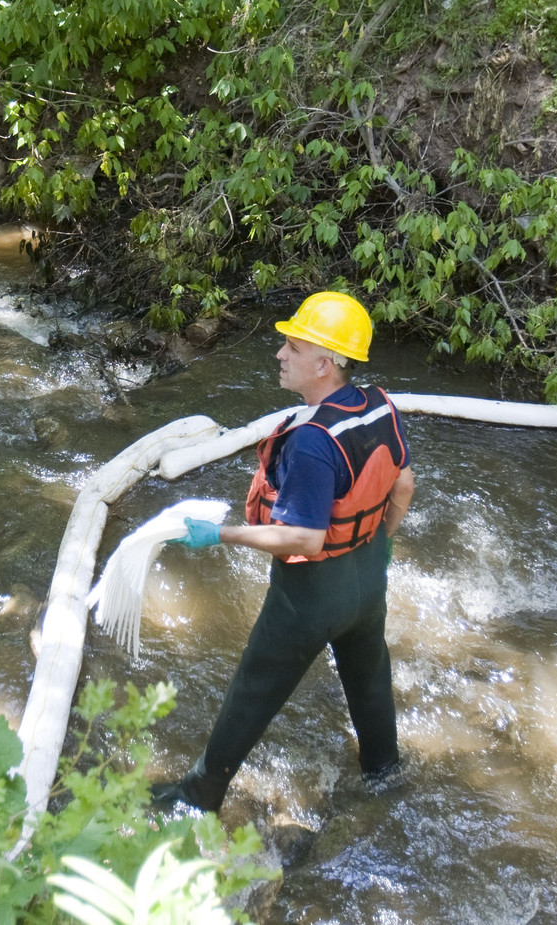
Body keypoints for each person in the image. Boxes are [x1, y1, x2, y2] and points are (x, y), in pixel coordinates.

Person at [152, 291, 416, 814]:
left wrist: (219, 534)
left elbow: (304, 539)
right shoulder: (380, 406)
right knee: (370, 679)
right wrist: (381, 543)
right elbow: (403, 484)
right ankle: (385, 776)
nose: (279, 355)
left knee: (254, 689)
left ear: (323, 363)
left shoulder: (312, 441)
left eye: (291, 347)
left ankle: (197, 795)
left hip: (311, 596)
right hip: (367, 579)